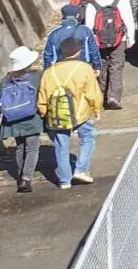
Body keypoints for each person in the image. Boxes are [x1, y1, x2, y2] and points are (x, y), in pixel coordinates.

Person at [38, 36, 102, 189]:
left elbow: (42, 96)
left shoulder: (49, 72)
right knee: (87, 138)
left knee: (61, 145)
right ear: (78, 51)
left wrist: (43, 112)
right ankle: (81, 170)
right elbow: (92, 92)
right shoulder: (84, 68)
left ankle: (64, 180)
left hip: (58, 115)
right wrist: (97, 109)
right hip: (81, 113)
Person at [93, 0, 135, 109]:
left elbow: (90, 24)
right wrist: (130, 37)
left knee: (102, 64)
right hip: (119, 34)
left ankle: (100, 93)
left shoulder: (94, 3)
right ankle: (113, 98)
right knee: (117, 66)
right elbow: (128, 19)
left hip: (99, 37)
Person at [0, 46, 43, 193]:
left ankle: (21, 176)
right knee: (32, 148)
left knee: (20, 147)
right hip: (31, 118)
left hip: (13, 119)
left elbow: (0, 100)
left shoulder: (6, 79)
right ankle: (26, 178)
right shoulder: (36, 76)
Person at [39, 3, 101, 74]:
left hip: (61, 69)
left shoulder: (53, 33)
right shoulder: (85, 30)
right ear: (77, 15)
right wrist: (97, 66)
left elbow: (48, 55)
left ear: (62, 15)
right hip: (83, 67)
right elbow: (93, 50)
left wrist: (46, 70)